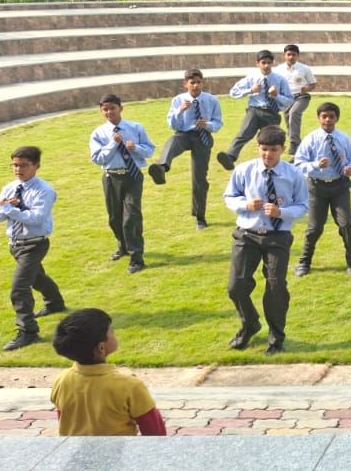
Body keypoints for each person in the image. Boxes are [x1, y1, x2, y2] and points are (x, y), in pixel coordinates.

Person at [222, 126, 309, 355]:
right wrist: (245, 205)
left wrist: (282, 212)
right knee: (236, 286)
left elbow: (303, 206)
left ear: (282, 149)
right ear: (257, 147)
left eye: (273, 150)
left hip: (277, 237)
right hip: (247, 234)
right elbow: (229, 197)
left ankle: (276, 338)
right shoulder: (244, 170)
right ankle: (250, 323)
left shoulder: (293, 174)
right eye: (263, 149)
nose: (268, 154)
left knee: (276, 287)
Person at [0, 145, 67, 351]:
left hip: (35, 244)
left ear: (37, 166)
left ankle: (28, 332)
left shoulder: (45, 191)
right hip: (15, 244)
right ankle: (55, 303)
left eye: (23, 165)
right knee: (36, 277)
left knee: (19, 287)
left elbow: (36, 218)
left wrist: (11, 209)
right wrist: (5, 208)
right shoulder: (9, 188)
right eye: (15, 165)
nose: (18, 170)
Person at [49, 308, 166, 436]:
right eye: (111, 330)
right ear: (101, 348)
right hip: (120, 449)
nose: (114, 331)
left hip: (75, 448)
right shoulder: (131, 386)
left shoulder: (61, 380)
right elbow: (155, 432)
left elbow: (64, 418)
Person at [89, 94, 156, 274]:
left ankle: (137, 259)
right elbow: (98, 158)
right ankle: (123, 246)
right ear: (101, 111)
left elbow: (150, 150)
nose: (109, 112)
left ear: (121, 108)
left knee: (131, 217)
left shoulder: (136, 128)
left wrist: (136, 148)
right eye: (105, 109)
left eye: (113, 108)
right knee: (114, 217)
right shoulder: (98, 134)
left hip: (132, 176)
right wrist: (113, 143)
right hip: (111, 178)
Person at [150, 69, 223, 230]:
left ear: (203, 83)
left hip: (202, 137)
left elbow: (218, 123)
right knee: (173, 141)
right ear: (185, 84)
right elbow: (172, 125)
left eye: (198, 82)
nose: (196, 85)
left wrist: (207, 125)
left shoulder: (212, 100)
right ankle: (161, 167)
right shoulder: (178, 100)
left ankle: (200, 218)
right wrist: (180, 111)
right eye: (192, 83)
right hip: (184, 134)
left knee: (199, 179)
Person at [293, 102, 351, 276]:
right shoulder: (311, 139)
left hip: (339, 186)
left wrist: (350, 169)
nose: (327, 120)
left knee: (347, 225)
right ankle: (304, 262)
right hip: (317, 188)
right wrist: (316, 165)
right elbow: (298, 164)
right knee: (314, 227)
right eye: (324, 117)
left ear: (337, 118)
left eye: (331, 116)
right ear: (318, 118)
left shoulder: (343, 139)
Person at [217, 50, 294, 171]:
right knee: (243, 133)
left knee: (272, 139)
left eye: (269, 62)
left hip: (271, 113)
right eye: (263, 63)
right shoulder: (252, 78)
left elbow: (289, 100)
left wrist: (277, 95)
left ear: (272, 63)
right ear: (257, 64)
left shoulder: (280, 80)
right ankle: (230, 157)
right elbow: (233, 92)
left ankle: (275, 163)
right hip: (254, 110)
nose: (266, 65)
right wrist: (251, 90)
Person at [275, 44, 317, 156]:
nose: (291, 57)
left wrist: (306, 89)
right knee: (288, 119)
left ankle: (294, 143)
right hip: (286, 98)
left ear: (298, 56)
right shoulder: (278, 70)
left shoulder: (304, 69)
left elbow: (313, 84)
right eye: (288, 54)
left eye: (294, 55)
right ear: (284, 55)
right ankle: (296, 143)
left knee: (294, 113)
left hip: (301, 97)